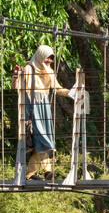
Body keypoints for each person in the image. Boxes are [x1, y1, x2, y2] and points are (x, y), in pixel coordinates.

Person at [16, 45, 71, 178]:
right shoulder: (29, 69)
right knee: (41, 137)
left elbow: (57, 88)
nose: (49, 61)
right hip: (31, 107)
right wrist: (16, 75)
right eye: (47, 58)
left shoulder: (49, 71)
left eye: (51, 59)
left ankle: (29, 174)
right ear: (41, 56)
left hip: (44, 108)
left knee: (40, 140)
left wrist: (72, 93)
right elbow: (16, 85)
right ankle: (47, 170)